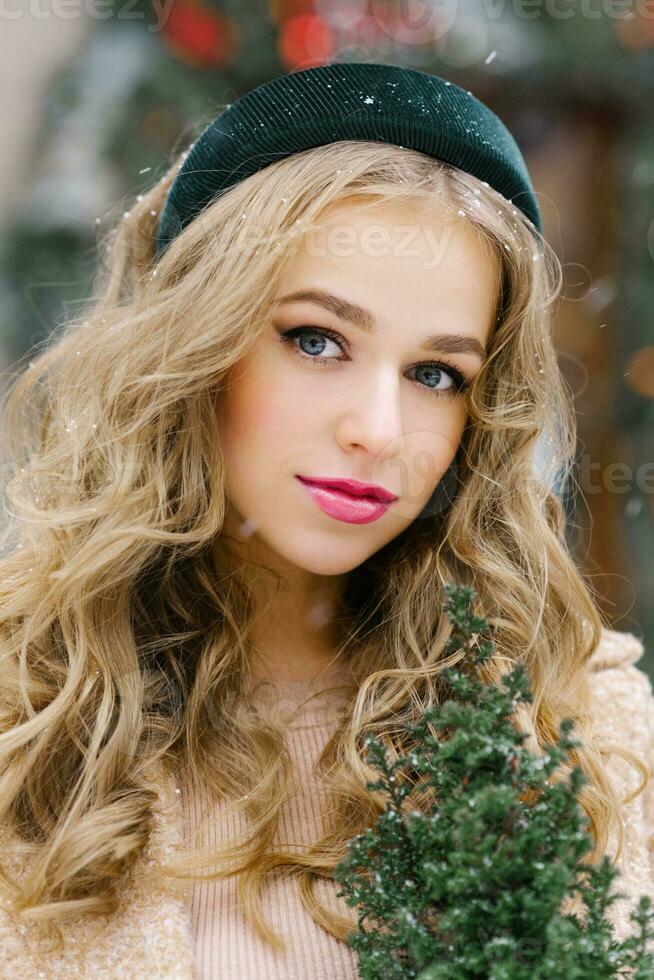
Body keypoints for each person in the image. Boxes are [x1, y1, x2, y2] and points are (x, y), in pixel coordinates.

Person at [0, 61, 651, 979]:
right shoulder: (22, 721)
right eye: (317, 340)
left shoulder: (581, 732)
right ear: (196, 345)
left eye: (437, 374)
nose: (379, 432)